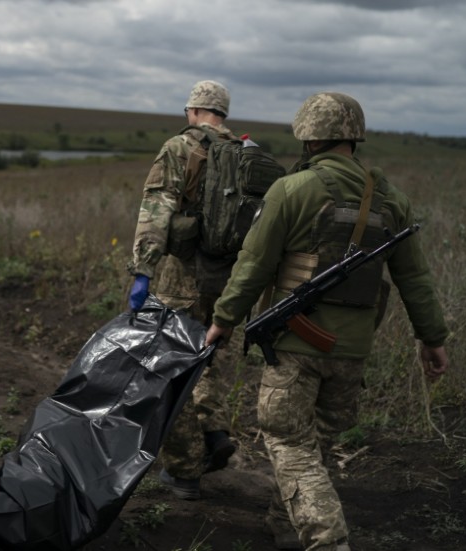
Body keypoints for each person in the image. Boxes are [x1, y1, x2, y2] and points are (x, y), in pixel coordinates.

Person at [205, 92, 449, 551]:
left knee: (288, 441)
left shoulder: (292, 189)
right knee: (312, 444)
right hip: (352, 350)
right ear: (354, 138)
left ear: (308, 138)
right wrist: (432, 339)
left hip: (297, 345)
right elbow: (414, 278)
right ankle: (283, 523)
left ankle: (327, 540)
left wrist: (223, 321)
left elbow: (254, 264)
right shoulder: (392, 200)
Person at [126, 80, 239, 500]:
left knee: (167, 369)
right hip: (228, 282)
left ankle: (185, 469)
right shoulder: (246, 153)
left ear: (192, 110)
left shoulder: (179, 147)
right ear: (222, 113)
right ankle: (213, 431)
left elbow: (157, 208)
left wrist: (143, 271)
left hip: (182, 278)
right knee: (204, 360)